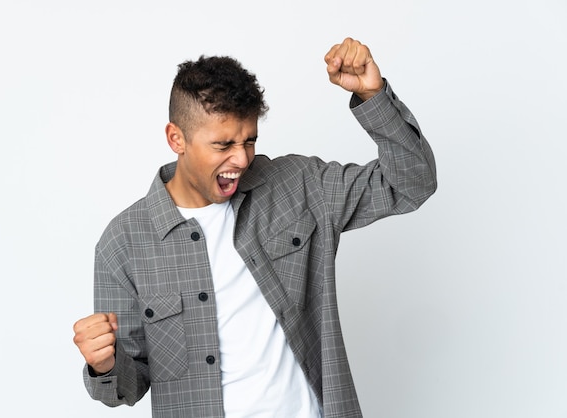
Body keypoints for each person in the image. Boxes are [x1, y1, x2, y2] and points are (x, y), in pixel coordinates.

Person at [73, 37, 437, 417]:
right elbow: (126, 389)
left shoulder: (297, 186)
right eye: (223, 144)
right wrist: (104, 364)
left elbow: (411, 184)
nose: (242, 158)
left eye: (249, 140)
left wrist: (372, 96)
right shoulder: (124, 243)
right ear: (176, 139)